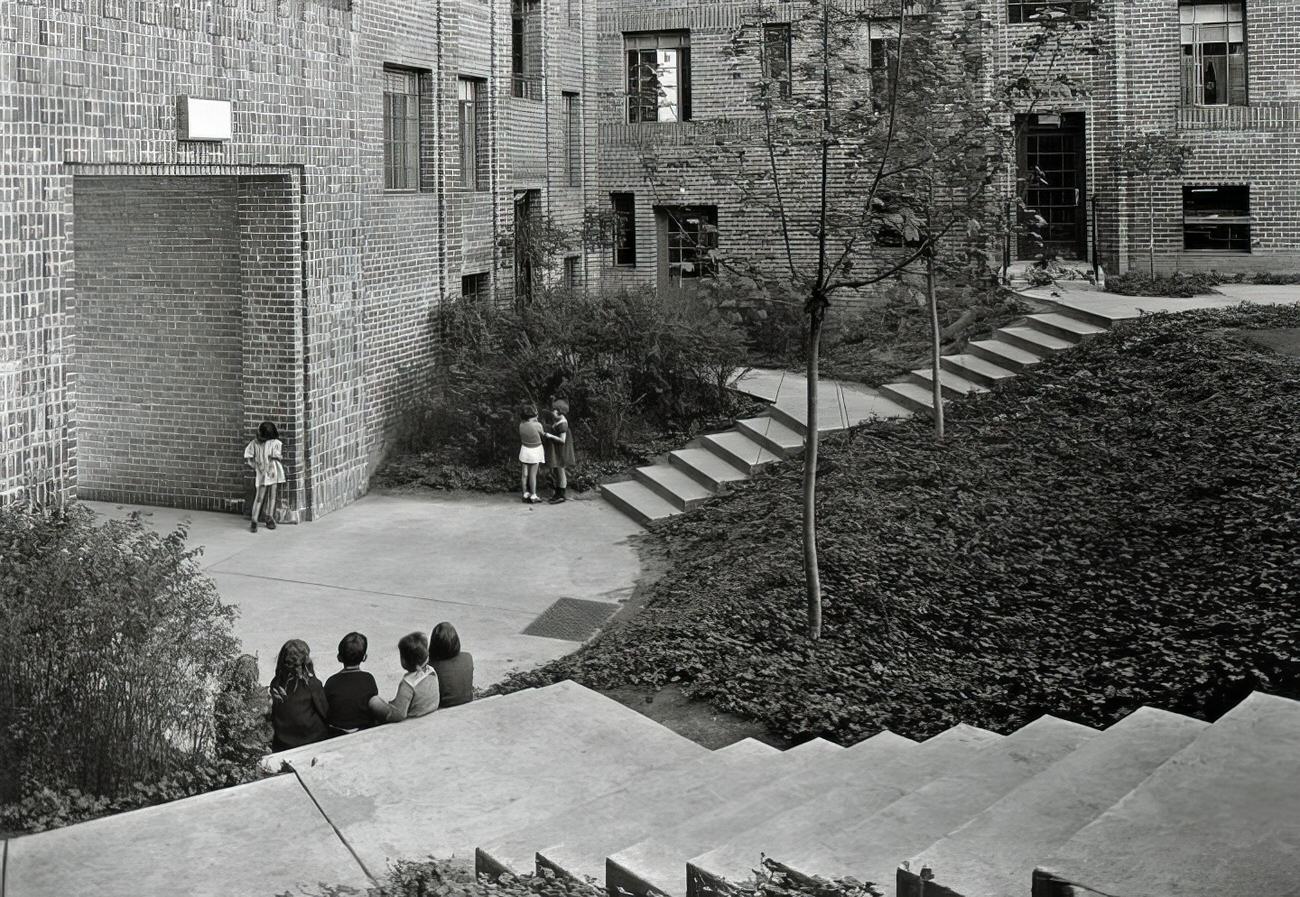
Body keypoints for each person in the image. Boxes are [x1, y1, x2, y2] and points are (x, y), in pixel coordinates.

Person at [269, 639, 329, 752]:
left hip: (283, 741)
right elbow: (324, 712)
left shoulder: (276, 683)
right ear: (306, 661)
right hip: (311, 739)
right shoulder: (312, 684)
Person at [368, 632, 440, 723]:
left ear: (405, 661)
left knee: (374, 701)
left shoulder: (408, 684)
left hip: (413, 717)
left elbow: (399, 714)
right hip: (429, 708)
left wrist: (379, 707)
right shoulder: (431, 670)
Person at [324, 632, 379, 736]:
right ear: (365, 657)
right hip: (362, 729)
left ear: (339, 657)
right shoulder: (368, 678)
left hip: (336, 731)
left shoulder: (331, 681)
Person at [244, 420, 285, 533]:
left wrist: (275, 457)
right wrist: (256, 466)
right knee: (261, 496)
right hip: (264, 472)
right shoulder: (255, 443)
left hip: (272, 471)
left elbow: (279, 456)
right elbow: (249, 458)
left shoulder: (273, 442)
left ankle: (267, 517)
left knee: (270, 495)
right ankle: (255, 519)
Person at [428, 622, 474, 708]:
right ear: (456, 641)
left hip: (443, 706)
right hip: (466, 700)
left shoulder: (429, 665)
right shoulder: (468, 657)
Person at [543, 397, 576, 503]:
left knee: (560, 470)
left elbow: (562, 440)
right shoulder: (558, 420)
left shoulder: (563, 424)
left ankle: (561, 494)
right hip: (558, 449)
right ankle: (558, 492)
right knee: (557, 470)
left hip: (561, 450)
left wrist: (550, 436)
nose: (552, 413)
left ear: (559, 412)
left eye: (554, 411)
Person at [518, 404, 546, 504]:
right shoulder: (538, 425)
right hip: (535, 450)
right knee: (532, 475)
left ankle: (525, 494)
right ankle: (533, 496)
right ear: (532, 416)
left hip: (525, 449)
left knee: (524, 474)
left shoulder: (521, 424)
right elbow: (542, 434)